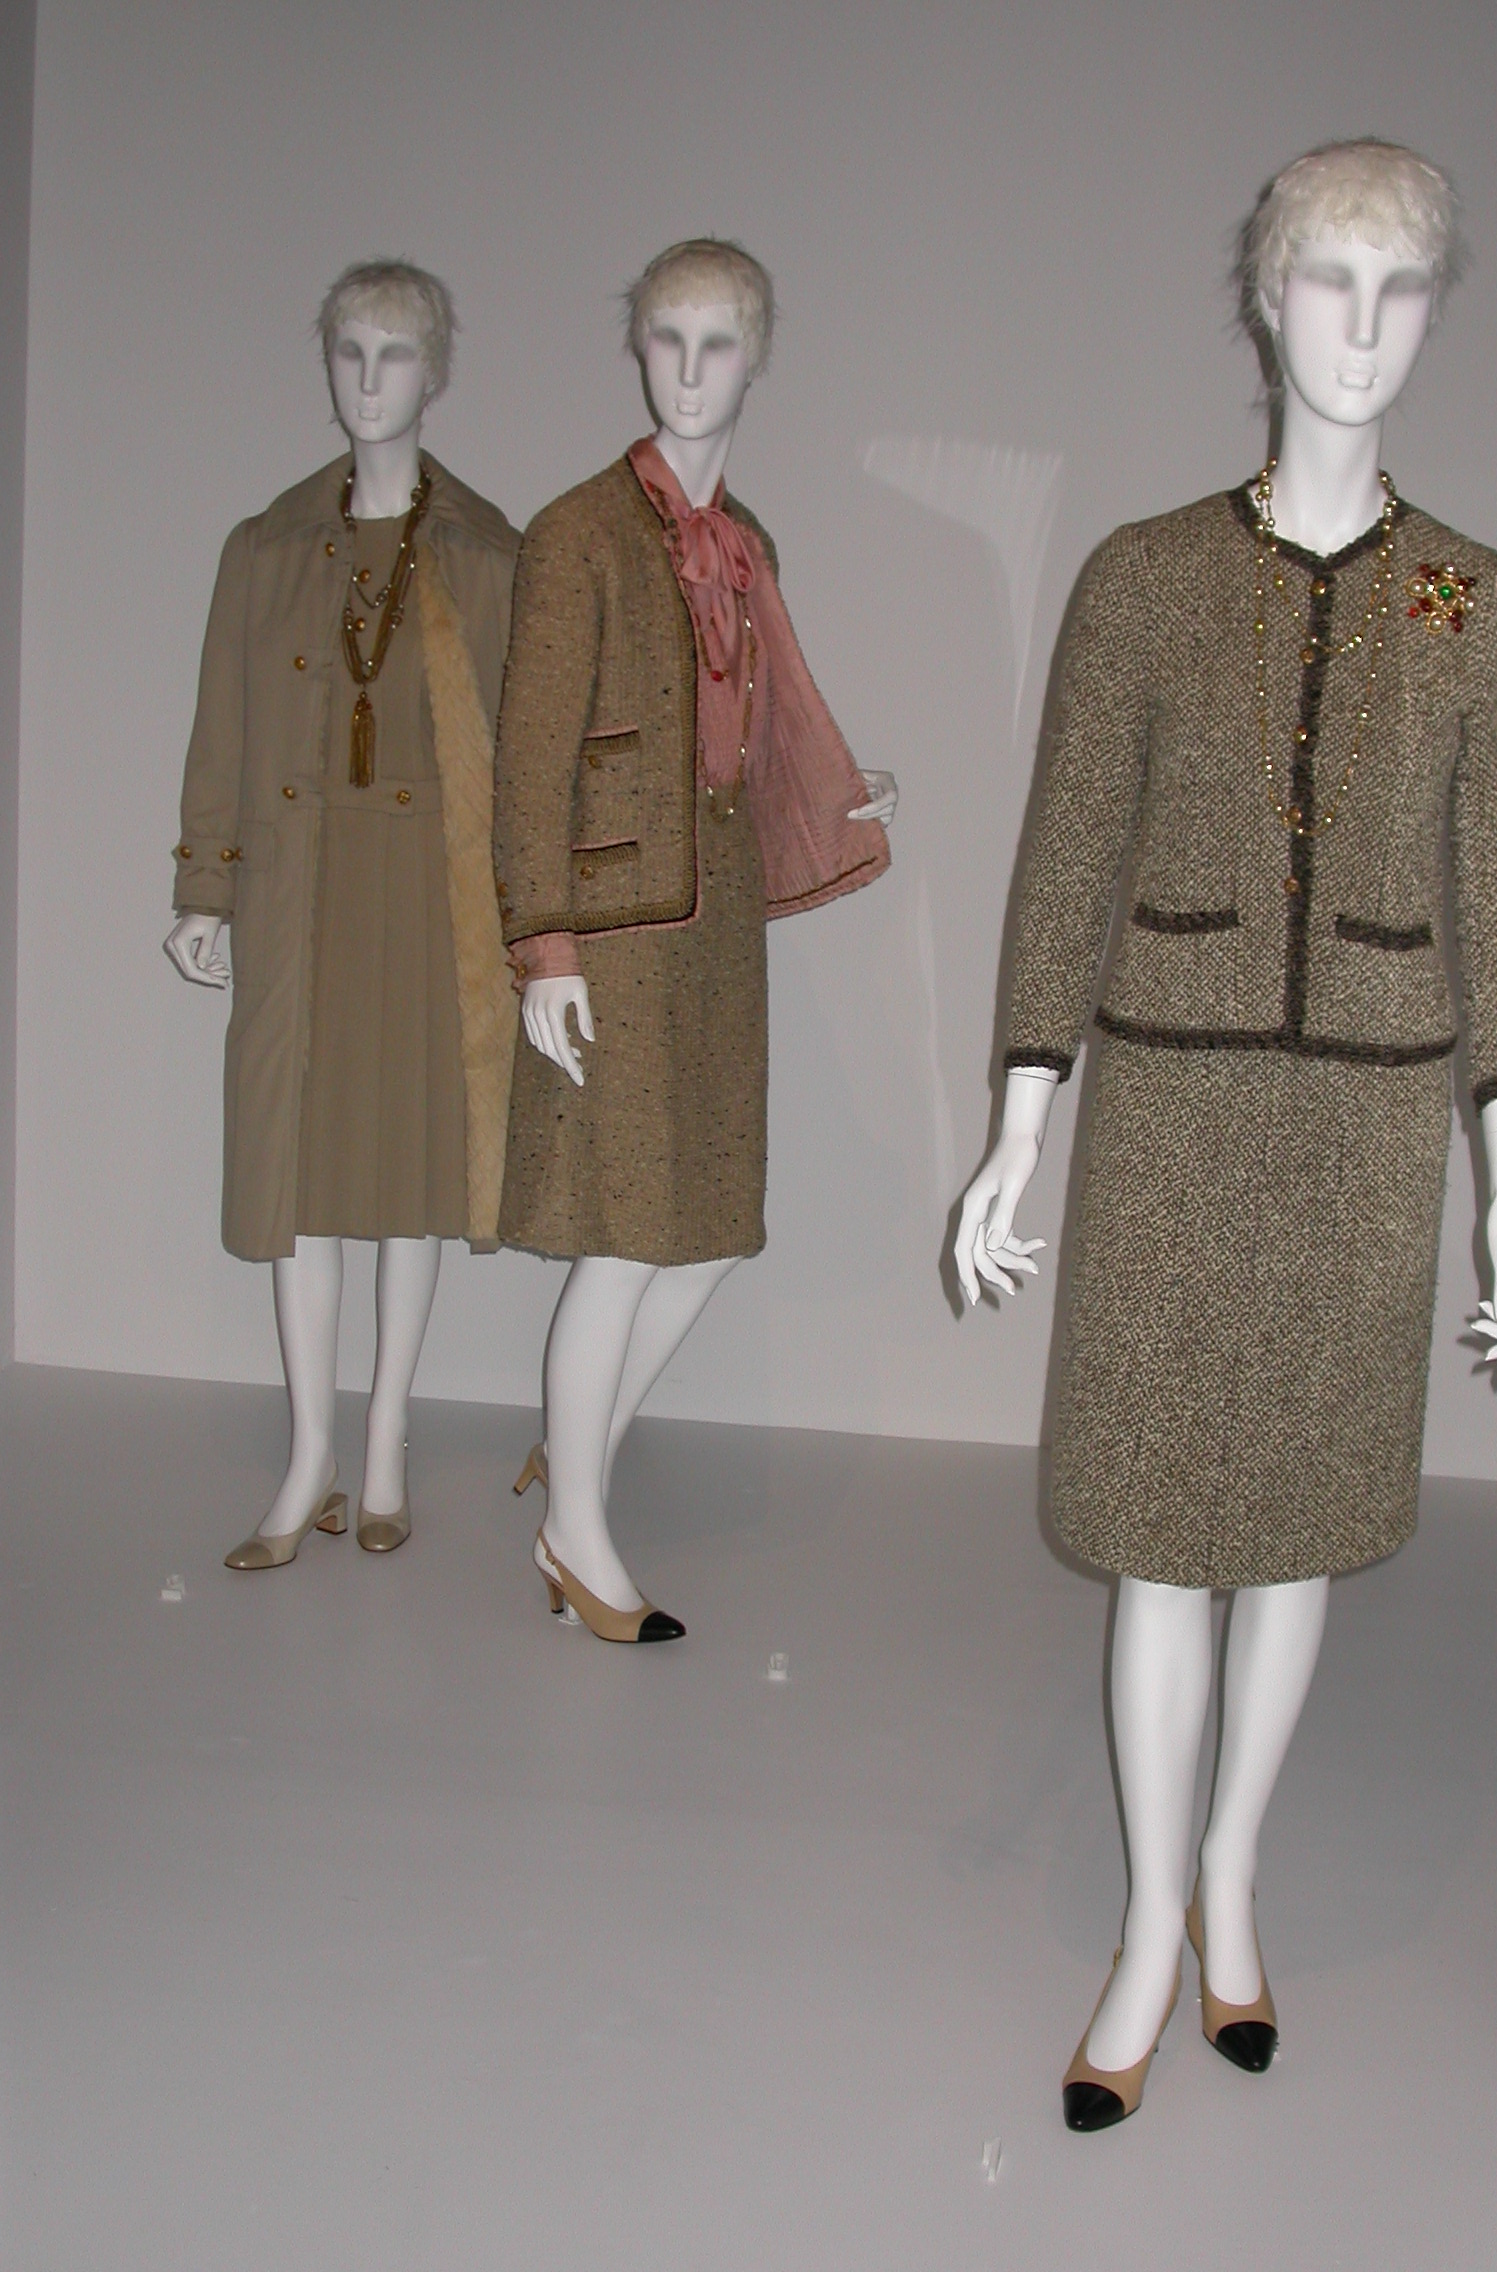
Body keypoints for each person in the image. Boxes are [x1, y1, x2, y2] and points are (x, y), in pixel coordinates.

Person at [953, 142, 1497, 2130]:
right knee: (1156, 1532)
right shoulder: (1143, 578)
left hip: (1371, 1123)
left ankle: (1229, 1881)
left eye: (1402, 287)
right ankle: (1147, 1926)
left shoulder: (1474, 597)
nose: (1363, 328)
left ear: (1436, 311)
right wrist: (1019, 1127)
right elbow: (1064, 861)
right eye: (1328, 281)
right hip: (1169, 1104)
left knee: (1294, 1533)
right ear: (1265, 296)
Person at [494, 238, 897, 1642]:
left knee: (711, 1225)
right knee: (623, 1234)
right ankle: (577, 1534)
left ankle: (577, 1460)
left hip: (718, 926)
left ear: (755, 357)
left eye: (716, 342)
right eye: (665, 337)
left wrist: (834, 786)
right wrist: (544, 947)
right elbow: (529, 759)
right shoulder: (577, 533)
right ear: (638, 347)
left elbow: (739, 729)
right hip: (614, 934)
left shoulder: (748, 542)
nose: (687, 368)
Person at [167, 259, 520, 1570]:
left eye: (396, 355)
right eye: (350, 354)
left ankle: (384, 1442)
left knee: (411, 1175)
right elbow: (219, 728)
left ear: (437, 372)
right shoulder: (261, 550)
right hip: (299, 887)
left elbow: (528, 752)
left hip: (431, 898)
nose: (370, 382)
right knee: (300, 1174)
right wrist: (206, 885)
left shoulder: (491, 554)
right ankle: (309, 1448)